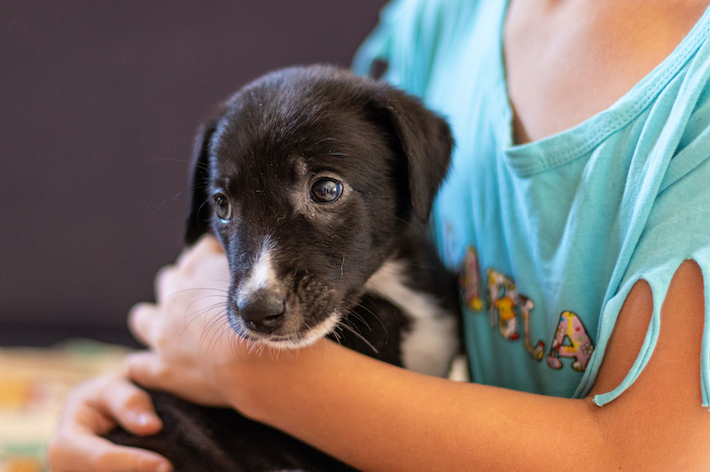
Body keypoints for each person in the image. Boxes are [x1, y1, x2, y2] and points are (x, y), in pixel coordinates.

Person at [48, 0, 710, 470]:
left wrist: (249, 374)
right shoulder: (439, 23)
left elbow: (644, 458)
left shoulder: (693, 101)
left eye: (326, 191)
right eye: (222, 204)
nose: (257, 286)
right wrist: (133, 399)